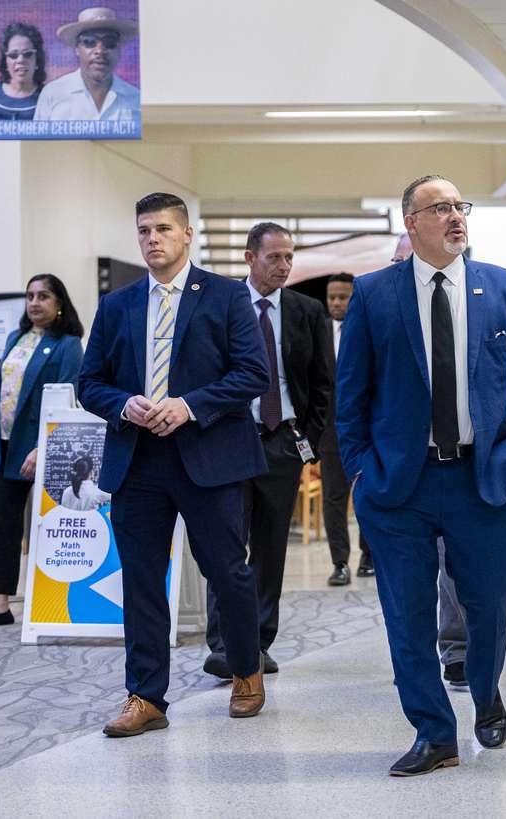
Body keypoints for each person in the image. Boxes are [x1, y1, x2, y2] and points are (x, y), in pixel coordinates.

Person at [337, 174, 506, 776]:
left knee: (488, 606)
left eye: (461, 206)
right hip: (399, 485)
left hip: (487, 479)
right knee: (406, 616)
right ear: (411, 222)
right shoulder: (374, 294)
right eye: (440, 208)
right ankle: (434, 732)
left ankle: (485, 692)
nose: (456, 217)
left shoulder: (502, 289)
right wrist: (358, 471)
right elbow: (352, 394)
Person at [77, 192, 271, 737]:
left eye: (163, 228)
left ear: (188, 234)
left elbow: (253, 373)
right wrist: (123, 403)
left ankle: (246, 672)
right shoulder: (117, 305)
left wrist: (189, 406)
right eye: (144, 230)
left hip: (210, 458)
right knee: (141, 580)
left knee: (227, 573)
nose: (152, 238)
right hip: (137, 463)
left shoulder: (228, 296)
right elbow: (91, 383)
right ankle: (145, 697)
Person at [204, 222, 332, 679]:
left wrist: (308, 442)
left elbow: (322, 383)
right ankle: (224, 644)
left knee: (271, 547)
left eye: (289, 257)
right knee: (225, 545)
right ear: (249, 257)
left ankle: (258, 640)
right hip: (230, 439)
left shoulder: (306, 310)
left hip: (283, 440)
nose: (284, 266)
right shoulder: (219, 306)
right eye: (274, 257)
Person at [0, 274, 84, 628]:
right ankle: (0, 603)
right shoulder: (13, 338)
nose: (35, 303)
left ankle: (52, 605)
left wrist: (43, 446)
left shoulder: (67, 344)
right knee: (3, 525)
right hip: (4, 444)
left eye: (44, 296)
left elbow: (67, 395)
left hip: (40, 447)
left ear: (59, 303)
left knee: (51, 524)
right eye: (30, 296)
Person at [322, 270, 373, 585]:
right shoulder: (320, 332)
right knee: (333, 498)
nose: (337, 303)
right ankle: (339, 562)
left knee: (367, 493)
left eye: (343, 297)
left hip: (366, 429)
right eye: (332, 298)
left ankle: (368, 556)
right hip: (330, 431)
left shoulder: (369, 330)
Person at [34, 7, 139, 123]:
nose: (99, 50)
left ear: (119, 49)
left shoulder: (136, 98)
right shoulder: (53, 94)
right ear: (77, 49)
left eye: (110, 42)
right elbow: (38, 141)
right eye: (90, 41)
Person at [0, 22, 47, 121]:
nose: (20, 60)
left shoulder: (49, 96)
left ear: (37, 60)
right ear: (5, 61)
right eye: (13, 55)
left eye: (28, 54)